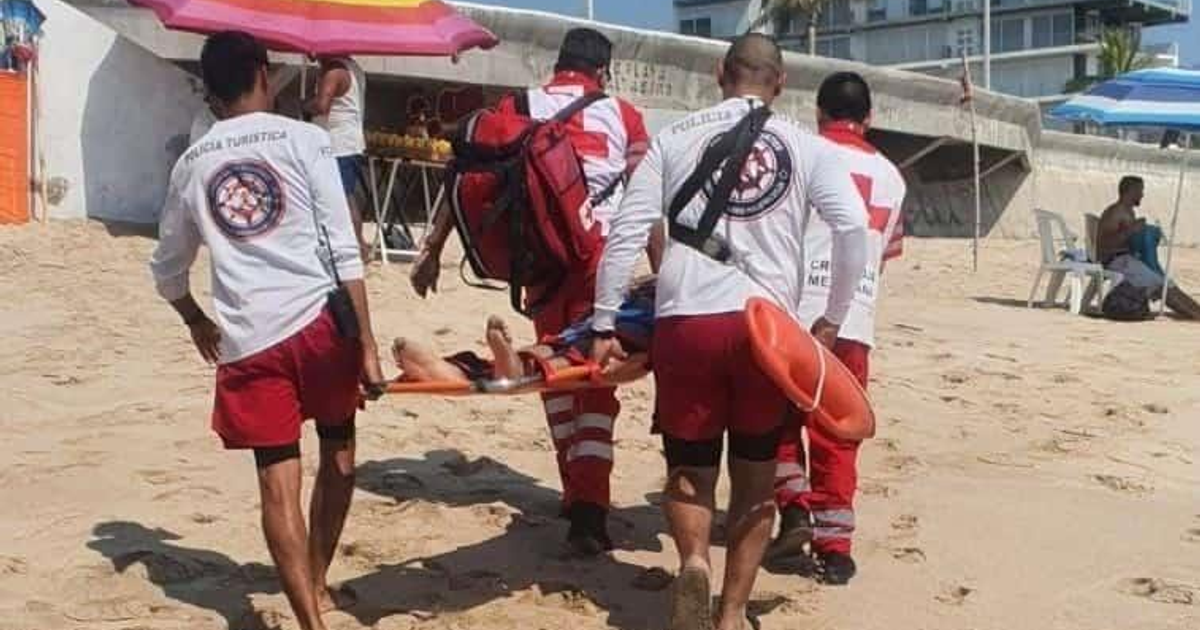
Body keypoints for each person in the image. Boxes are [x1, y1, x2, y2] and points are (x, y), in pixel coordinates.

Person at [591, 34, 869, 630]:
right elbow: (853, 232)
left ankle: (693, 561)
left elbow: (625, 233)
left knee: (690, 468)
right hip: (764, 332)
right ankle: (732, 613)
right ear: (782, 81)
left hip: (687, 320)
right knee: (756, 476)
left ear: (720, 73)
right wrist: (832, 318)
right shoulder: (807, 147)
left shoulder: (673, 139)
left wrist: (604, 321)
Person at [149, 32, 385, 630]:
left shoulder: (192, 161)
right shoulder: (308, 139)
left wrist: (194, 318)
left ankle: (309, 620)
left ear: (208, 86)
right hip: (319, 326)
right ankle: (321, 581)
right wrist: (368, 342)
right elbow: (343, 247)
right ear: (261, 71)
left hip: (248, 338)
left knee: (277, 486)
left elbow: (167, 269)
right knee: (339, 453)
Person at [410, 27, 652, 556]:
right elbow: (645, 193)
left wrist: (432, 250)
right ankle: (589, 508)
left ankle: (574, 487)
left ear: (558, 65)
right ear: (602, 72)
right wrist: (663, 271)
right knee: (593, 380)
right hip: (600, 259)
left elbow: (471, 171)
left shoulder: (517, 104)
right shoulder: (623, 114)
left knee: (554, 373)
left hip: (540, 260)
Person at [768, 72, 907, 585]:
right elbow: (884, 254)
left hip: (793, 313)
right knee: (839, 435)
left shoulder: (799, 153)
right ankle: (837, 547)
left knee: (777, 422)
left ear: (818, 112)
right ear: (868, 119)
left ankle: (795, 506)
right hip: (855, 319)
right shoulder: (894, 177)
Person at [393, 277, 656, 386]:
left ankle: (512, 366)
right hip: (600, 333)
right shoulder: (653, 296)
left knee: (560, 353)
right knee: (554, 351)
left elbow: (646, 358)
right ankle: (450, 369)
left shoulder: (652, 299)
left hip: (612, 338)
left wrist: (632, 365)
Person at [1097, 176, 1200, 319]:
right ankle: (1195, 315)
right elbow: (1105, 245)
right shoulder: (1116, 212)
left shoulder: (1127, 211)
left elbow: (1126, 241)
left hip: (1127, 260)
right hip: (1116, 262)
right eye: (1140, 190)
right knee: (1160, 287)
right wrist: (1132, 230)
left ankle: (1197, 311)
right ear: (1131, 191)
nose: (1142, 195)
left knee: (1167, 285)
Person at [304, 55, 369, 258]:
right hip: (346, 142)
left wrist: (305, 105)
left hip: (337, 144)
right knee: (345, 196)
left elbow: (323, 106)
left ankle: (358, 246)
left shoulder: (334, 71)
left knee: (342, 197)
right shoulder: (353, 68)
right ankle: (357, 245)